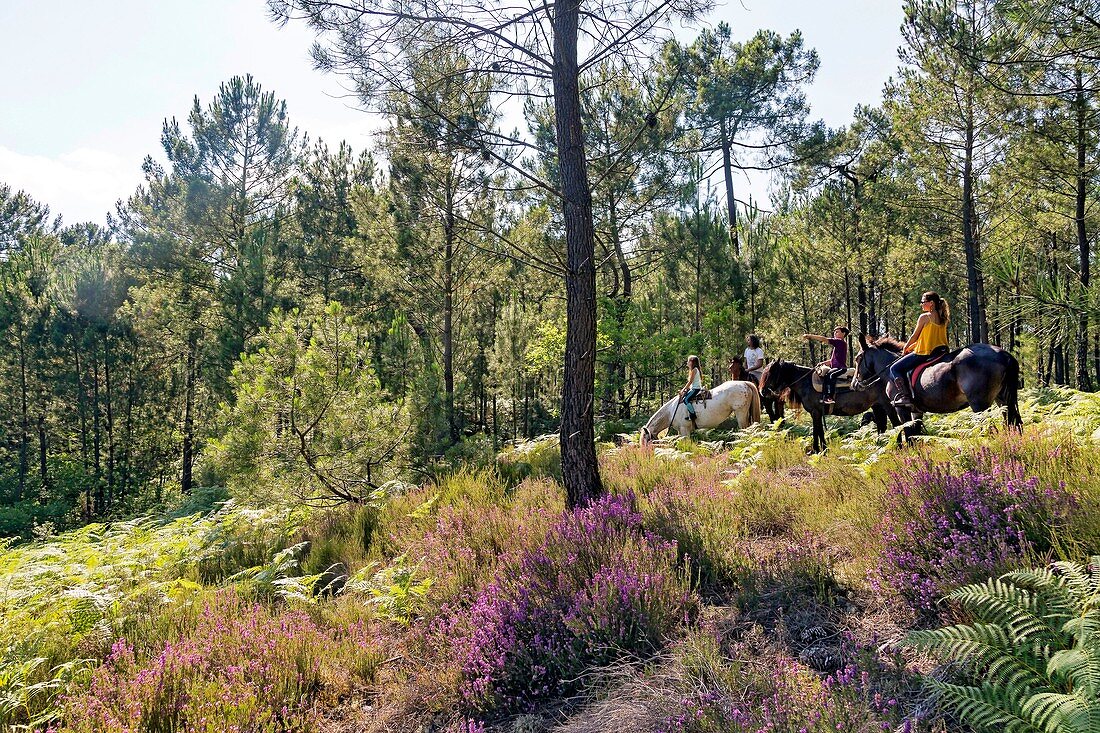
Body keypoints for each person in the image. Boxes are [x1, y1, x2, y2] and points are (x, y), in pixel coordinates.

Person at [889, 291, 950, 407]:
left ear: (931, 303)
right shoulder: (943, 317)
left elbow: (914, 336)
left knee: (894, 368)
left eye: (923, 302)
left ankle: (905, 396)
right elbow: (924, 339)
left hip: (925, 353)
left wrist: (905, 347)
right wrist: (910, 347)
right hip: (941, 351)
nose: (921, 304)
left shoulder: (925, 317)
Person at [803, 326, 849, 404]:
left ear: (843, 334)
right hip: (836, 367)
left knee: (830, 376)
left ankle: (830, 397)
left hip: (841, 368)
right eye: (834, 331)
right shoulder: (838, 345)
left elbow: (824, 339)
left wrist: (810, 336)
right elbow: (832, 360)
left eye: (837, 331)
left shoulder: (840, 342)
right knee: (827, 375)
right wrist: (823, 363)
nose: (835, 333)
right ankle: (824, 397)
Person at [679, 355, 704, 423]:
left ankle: (693, 415)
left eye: (688, 361)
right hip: (693, 388)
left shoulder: (694, 370)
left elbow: (690, 382)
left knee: (686, 400)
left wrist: (683, 389)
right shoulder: (694, 370)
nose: (687, 362)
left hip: (696, 389)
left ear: (692, 362)